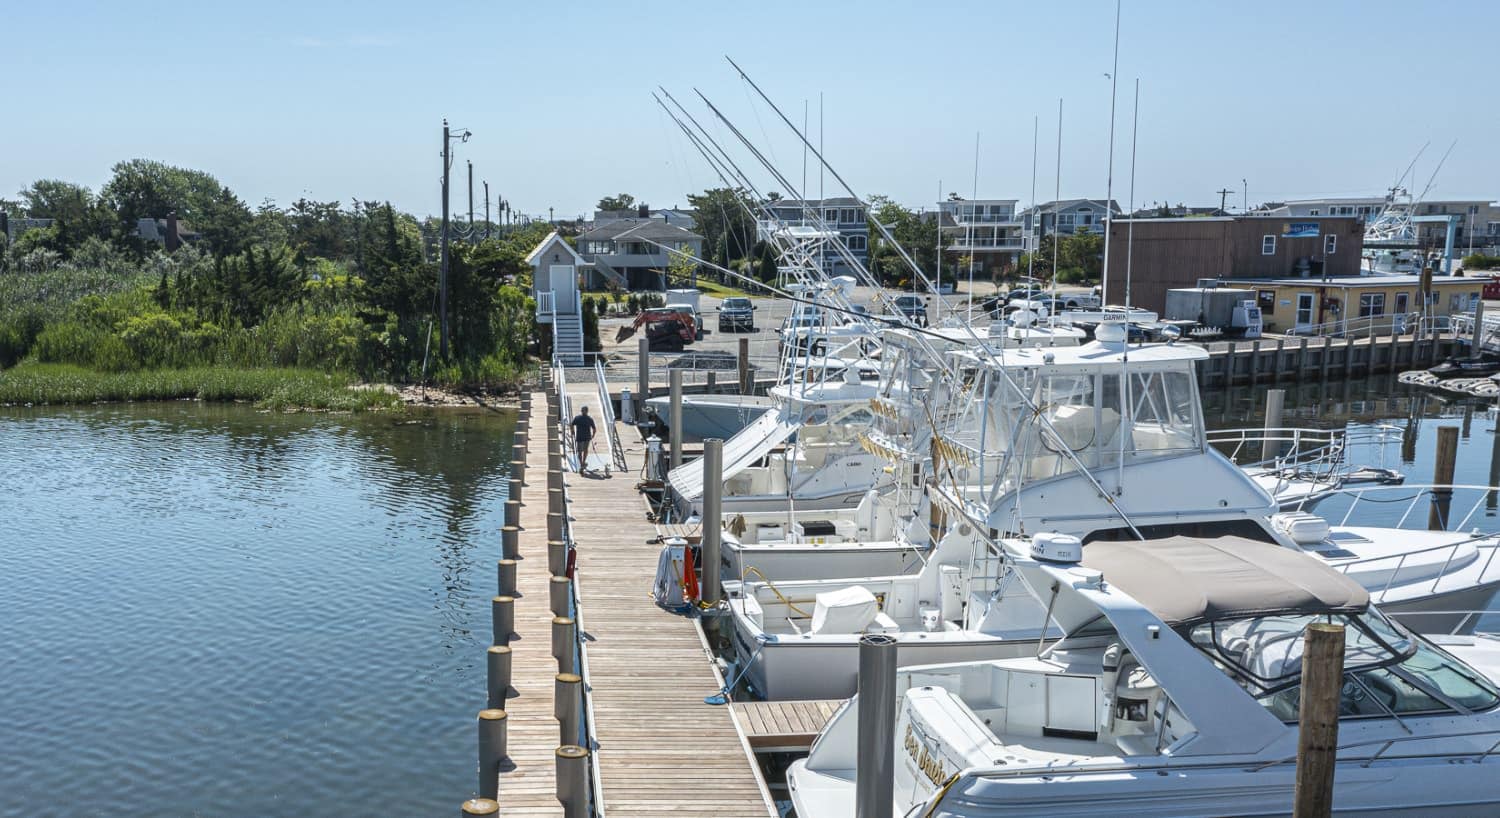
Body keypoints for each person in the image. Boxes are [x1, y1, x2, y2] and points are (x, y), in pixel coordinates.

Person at [570, 406, 597, 470]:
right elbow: (594, 428)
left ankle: (582, 463)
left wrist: (572, 431)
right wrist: (593, 435)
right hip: (587, 437)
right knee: (585, 450)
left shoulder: (577, 418)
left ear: (582, 411)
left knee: (580, 451)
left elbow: (571, 424)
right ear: (587, 411)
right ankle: (583, 462)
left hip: (580, 437)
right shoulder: (589, 419)